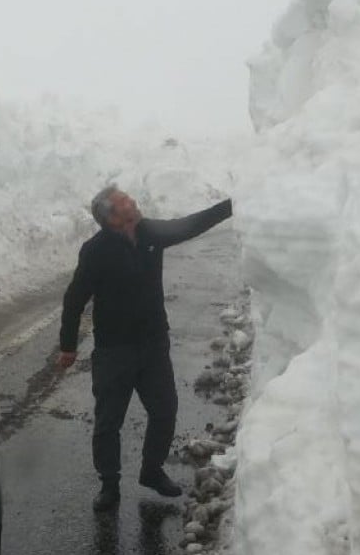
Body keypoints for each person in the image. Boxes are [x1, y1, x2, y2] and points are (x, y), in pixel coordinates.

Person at [58, 185, 233, 511]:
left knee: (165, 410)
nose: (133, 201)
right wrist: (68, 346)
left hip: (154, 344)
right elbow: (74, 299)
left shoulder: (149, 231)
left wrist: (231, 206)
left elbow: (189, 225)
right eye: (125, 201)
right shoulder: (95, 251)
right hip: (114, 351)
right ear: (111, 216)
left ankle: (151, 470)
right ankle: (109, 485)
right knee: (109, 421)